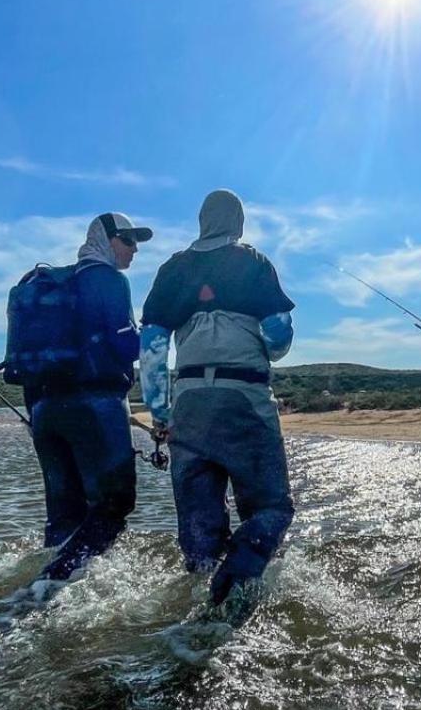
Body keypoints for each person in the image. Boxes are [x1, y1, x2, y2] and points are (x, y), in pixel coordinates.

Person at [139, 189, 297, 605]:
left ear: (201, 221)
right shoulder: (253, 262)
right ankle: (234, 582)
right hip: (243, 397)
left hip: (188, 405)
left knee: (198, 534)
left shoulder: (172, 269)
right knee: (272, 508)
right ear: (238, 223)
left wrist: (160, 411)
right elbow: (279, 337)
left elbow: (153, 346)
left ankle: (195, 610)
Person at [15, 211, 152, 580]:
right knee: (114, 503)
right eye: (127, 240)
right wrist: (153, 333)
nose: (134, 250)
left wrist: (36, 415)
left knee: (64, 515)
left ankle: (44, 598)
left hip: (44, 411)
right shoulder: (108, 279)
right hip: (96, 406)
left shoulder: (54, 287)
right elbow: (125, 346)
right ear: (106, 240)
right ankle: (56, 580)